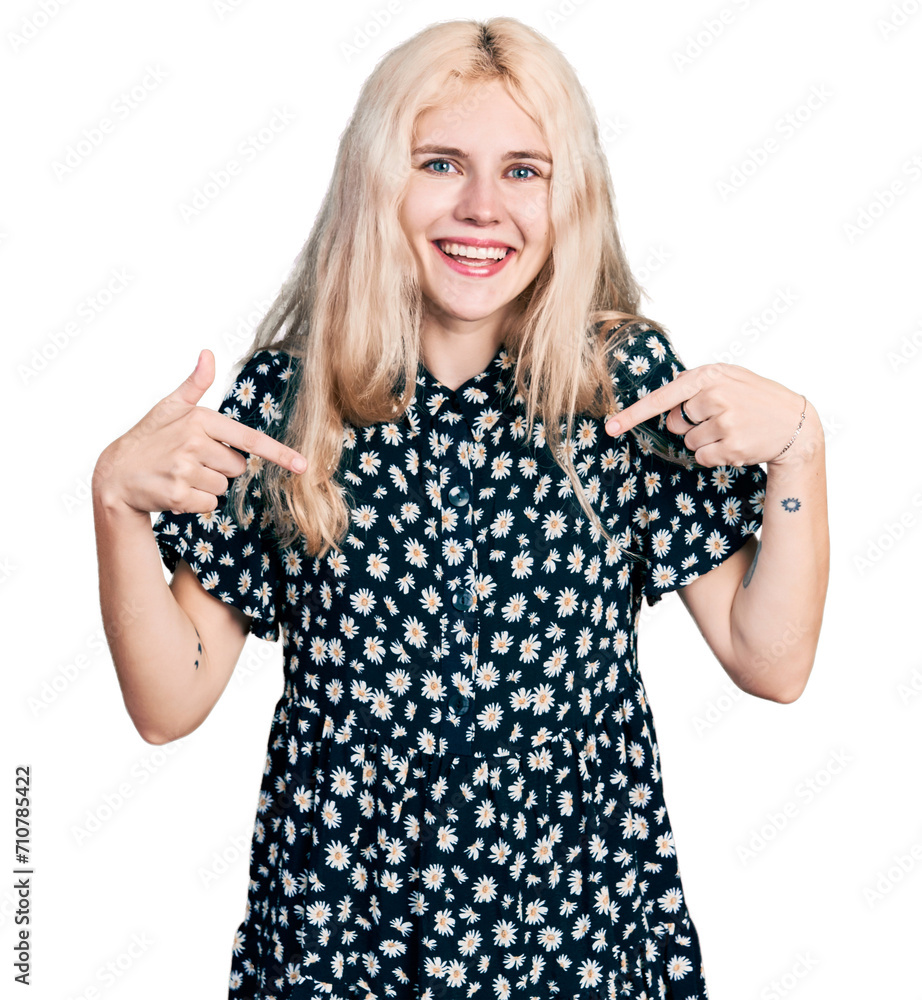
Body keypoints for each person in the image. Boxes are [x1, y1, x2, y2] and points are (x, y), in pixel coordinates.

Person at [91, 16, 829, 1000]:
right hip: (339, 942)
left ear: (570, 196)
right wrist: (115, 506)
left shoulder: (621, 388)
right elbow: (167, 701)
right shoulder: (287, 403)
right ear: (378, 180)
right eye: (440, 162)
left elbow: (769, 662)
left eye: (524, 170)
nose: (483, 207)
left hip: (574, 940)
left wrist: (801, 450)